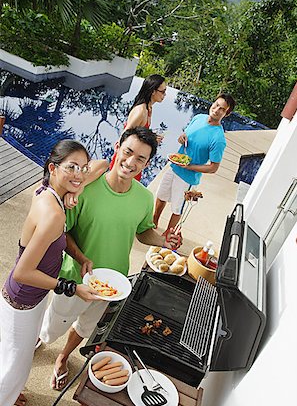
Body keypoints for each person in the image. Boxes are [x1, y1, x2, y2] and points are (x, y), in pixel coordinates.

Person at [39, 127, 182, 390]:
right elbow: (64, 231)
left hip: (114, 284)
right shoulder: (86, 189)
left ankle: (63, 357)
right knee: (51, 328)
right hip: (75, 279)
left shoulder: (143, 197)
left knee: (85, 327)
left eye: (140, 158)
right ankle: (41, 339)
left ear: (147, 164)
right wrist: (81, 257)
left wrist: (164, 240)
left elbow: (143, 232)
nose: (131, 162)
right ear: (117, 147)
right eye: (128, 152)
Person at [0, 140, 106, 406]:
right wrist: (72, 287)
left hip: (28, 297)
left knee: (10, 356)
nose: (80, 173)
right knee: (17, 365)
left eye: (82, 168)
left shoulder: (47, 191)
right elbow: (23, 271)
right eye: (71, 167)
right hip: (23, 298)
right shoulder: (54, 214)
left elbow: (102, 165)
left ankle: (7, 392)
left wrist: (80, 257)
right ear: (53, 168)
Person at [153, 93, 236, 234]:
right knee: (161, 196)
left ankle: (167, 234)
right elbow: (186, 136)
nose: (216, 110)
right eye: (216, 105)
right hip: (174, 166)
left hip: (187, 178)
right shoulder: (198, 118)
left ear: (226, 113)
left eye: (222, 109)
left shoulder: (218, 138)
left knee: (177, 208)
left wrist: (189, 167)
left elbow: (213, 167)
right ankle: (154, 221)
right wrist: (182, 137)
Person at [109, 74, 167, 181]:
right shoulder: (140, 111)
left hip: (134, 159)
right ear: (153, 91)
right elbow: (126, 136)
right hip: (126, 162)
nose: (165, 94)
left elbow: (137, 132)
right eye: (162, 91)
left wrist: (152, 137)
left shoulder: (149, 108)